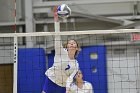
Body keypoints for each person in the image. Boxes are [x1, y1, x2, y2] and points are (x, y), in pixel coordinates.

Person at [42, 22, 81, 93]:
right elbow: (57, 36)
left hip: (62, 86)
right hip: (51, 79)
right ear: (67, 46)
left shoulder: (76, 64)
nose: (72, 44)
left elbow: (70, 78)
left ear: (77, 48)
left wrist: (68, 88)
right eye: (70, 43)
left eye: (74, 43)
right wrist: (56, 21)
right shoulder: (61, 51)